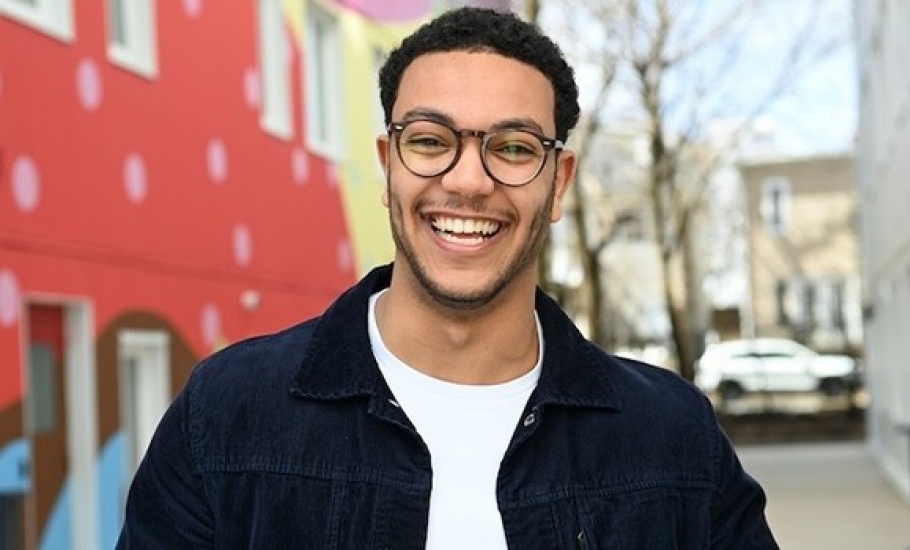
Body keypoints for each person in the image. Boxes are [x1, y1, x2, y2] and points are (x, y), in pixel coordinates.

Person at [117, 7, 777, 549]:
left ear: (559, 184)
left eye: (514, 148)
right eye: (431, 140)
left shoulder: (670, 436)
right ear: (388, 166)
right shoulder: (229, 415)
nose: (467, 180)